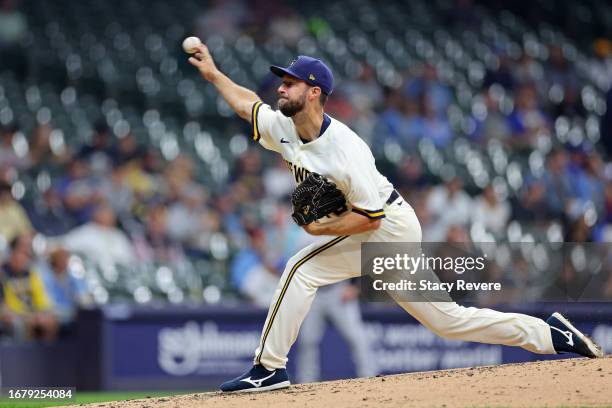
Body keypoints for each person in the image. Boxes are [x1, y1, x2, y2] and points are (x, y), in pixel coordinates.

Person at [188, 47, 603, 393]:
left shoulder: (345, 150)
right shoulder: (284, 126)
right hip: (382, 225)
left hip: (387, 226)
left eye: (290, 82)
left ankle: (268, 370)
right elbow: (248, 107)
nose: (281, 86)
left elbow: (370, 218)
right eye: (283, 80)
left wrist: (321, 228)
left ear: (313, 93)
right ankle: (551, 334)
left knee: (301, 267)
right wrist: (213, 73)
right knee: (448, 321)